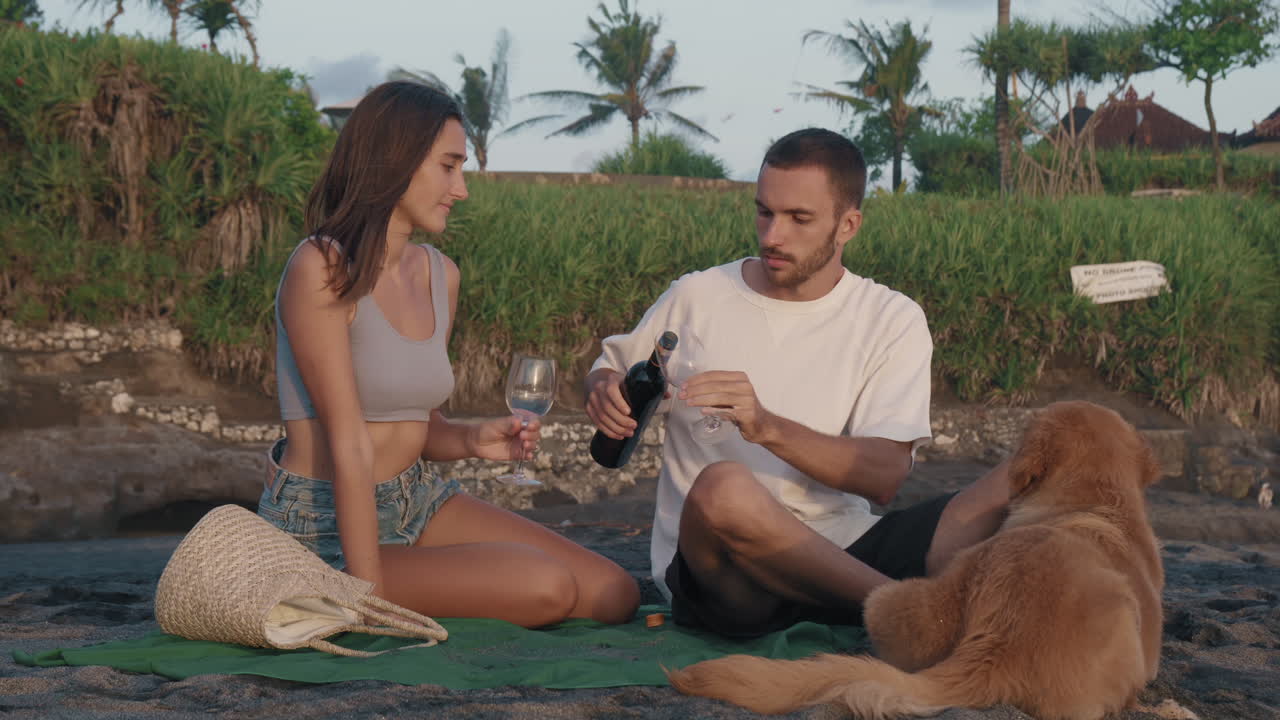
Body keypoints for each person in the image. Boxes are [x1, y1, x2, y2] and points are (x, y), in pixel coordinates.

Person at [584, 128, 1010, 637]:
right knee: (723, 487)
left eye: (798, 219)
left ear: (848, 225)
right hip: (728, 573)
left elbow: (884, 477)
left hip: (843, 550)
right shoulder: (698, 296)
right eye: (764, 212)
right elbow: (612, 370)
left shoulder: (890, 318)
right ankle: (902, 610)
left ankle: (889, 601)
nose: (772, 236)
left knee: (1048, 460)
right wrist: (603, 389)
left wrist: (766, 426)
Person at [258, 81, 639, 628]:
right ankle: (340, 592)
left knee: (613, 593)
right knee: (547, 585)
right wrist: (368, 595)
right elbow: (349, 444)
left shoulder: (440, 275)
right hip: (325, 521)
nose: (460, 189)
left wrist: (472, 439)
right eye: (448, 166)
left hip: (417, 498)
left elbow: (422, 426)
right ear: (396, 158)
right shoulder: (321, 267)